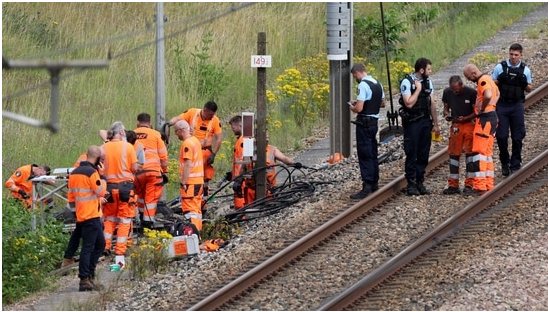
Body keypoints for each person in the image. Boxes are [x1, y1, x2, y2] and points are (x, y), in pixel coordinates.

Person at [66, 145, 108, 291]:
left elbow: (70, 196)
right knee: (89, 247)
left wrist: (76, 213)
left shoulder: (74, 172)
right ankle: (84, 279)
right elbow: (101, 191)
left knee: (99, 245)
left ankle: (89, 275)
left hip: (82, 215)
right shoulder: (92, 173)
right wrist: (102, 175)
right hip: (91, 216)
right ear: (96, 158)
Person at [399, 57, 440, 196]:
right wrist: (417, 90)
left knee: (423, 153)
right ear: (421, 70)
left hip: (425, 121)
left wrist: (435, 124)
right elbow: (409, 103)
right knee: (412, 152)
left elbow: (432, 103)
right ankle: (411, 183)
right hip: (412, 122)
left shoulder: (428, 82)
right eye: (428, 69)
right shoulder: (407, 82)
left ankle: (420, 181)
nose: (430, 71)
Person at [491, 43, 533, 176]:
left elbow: (529, 88)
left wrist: (524, 83)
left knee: (517, 136)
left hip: (516, 105)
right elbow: (491, 84)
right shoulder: (500, 67)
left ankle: (515, 163)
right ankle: (504, 162)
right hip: (502, 105)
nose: (513, 57)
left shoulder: (525, 70)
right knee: (502, 136)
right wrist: (500, 80)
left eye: (516, 55)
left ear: (521, 55)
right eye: (511, 54)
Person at [102, 121, 139, 267]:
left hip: (109, 188)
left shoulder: (103, 147)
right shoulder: (128, 147)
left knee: (109, 219)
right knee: (124, 220)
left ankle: (105, 247)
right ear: (122, 132)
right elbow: (134, 168)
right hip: (125, 187)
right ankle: (120, 251)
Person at [169, 101, 222, 199]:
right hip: (192, 151)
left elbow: (219, 139)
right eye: (210, 114)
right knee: (190, 175)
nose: (212, 116)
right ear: (205, 110)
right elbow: (178, 119)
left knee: (205, 177)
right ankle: (191, 195)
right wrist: (168, 124)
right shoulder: (192, 113)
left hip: (206, 152)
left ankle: (204, 199)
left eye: (213, 114)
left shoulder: (215, 120)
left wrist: (214, 153)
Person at [349, 63, 385, 200]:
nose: (355, 79)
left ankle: (367, 184)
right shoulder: (377, 83)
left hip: (364, 123)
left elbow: (359, 109)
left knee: (364, 153)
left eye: (354, 76)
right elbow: (382, 103)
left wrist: (352, 106)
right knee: (372, 151)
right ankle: (375, 181)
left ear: (357, 73)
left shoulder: (363, 85)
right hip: (374, 122)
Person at [463, 63, 500, 195]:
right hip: (492, 117)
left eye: (468, 77)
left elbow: (488, 95)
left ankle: (480, 186)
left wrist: (482, 109)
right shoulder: (489, 79)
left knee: (479, 153)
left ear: (473, 73)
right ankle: (488, 183)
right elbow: (497, 94)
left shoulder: (482, 81)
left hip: (485, 119)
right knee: (487, 154)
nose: (469, 80)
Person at [239, 133, 301, 207]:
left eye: (268, 137)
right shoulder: (249, 151)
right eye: (265, 137)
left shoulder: (272, 149)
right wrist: (238, 181)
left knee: (267, 209)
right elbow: (243, 168)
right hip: (250, 191)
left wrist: (294, 163)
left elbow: (284, 159)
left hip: (268, 189)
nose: (267, 139)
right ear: (256, 139)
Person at [441, 75, 477, 195]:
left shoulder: (471, 93)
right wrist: (446, 114)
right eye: (452, 89)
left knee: (470, 155)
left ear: (461, 85)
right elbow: (446, 108)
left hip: (469, 125)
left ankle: (469, 184)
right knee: (453, 155)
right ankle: (453, 185)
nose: (454, 91)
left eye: (456, 89)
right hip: (456, 125)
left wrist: (465, 118)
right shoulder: (447, 92)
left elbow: (476, 111)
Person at [133, 113, 169, 227]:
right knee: (151, 197)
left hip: (137, 172)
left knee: (140, 195)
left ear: (138, 122)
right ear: (150, 123)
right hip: (153, 172)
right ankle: (148, 222)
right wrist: (164, 171)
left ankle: (140, 215)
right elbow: (163, 156)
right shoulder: (156, 134)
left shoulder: (132, 134)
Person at [174, 120, 205, 232]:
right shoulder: (195, 141)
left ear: (182, 130)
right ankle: (198, 233)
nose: (175, 134)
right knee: (196, 210)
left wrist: (183, 181)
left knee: (190, 210)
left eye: (176, 131)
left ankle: (192, 235)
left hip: (190, 183)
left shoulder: (187, 144)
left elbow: (188, 164)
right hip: (198, 181)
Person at [228, 115, 248, 209]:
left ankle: (242, 217)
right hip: (239, 177)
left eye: (233, 128)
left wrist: (240, 178)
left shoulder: (245, 140)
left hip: (243, 178)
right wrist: (232, 174)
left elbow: (246, 160)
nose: (232, 130)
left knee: (242, 200)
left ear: (240, 126)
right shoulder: (240, 140)